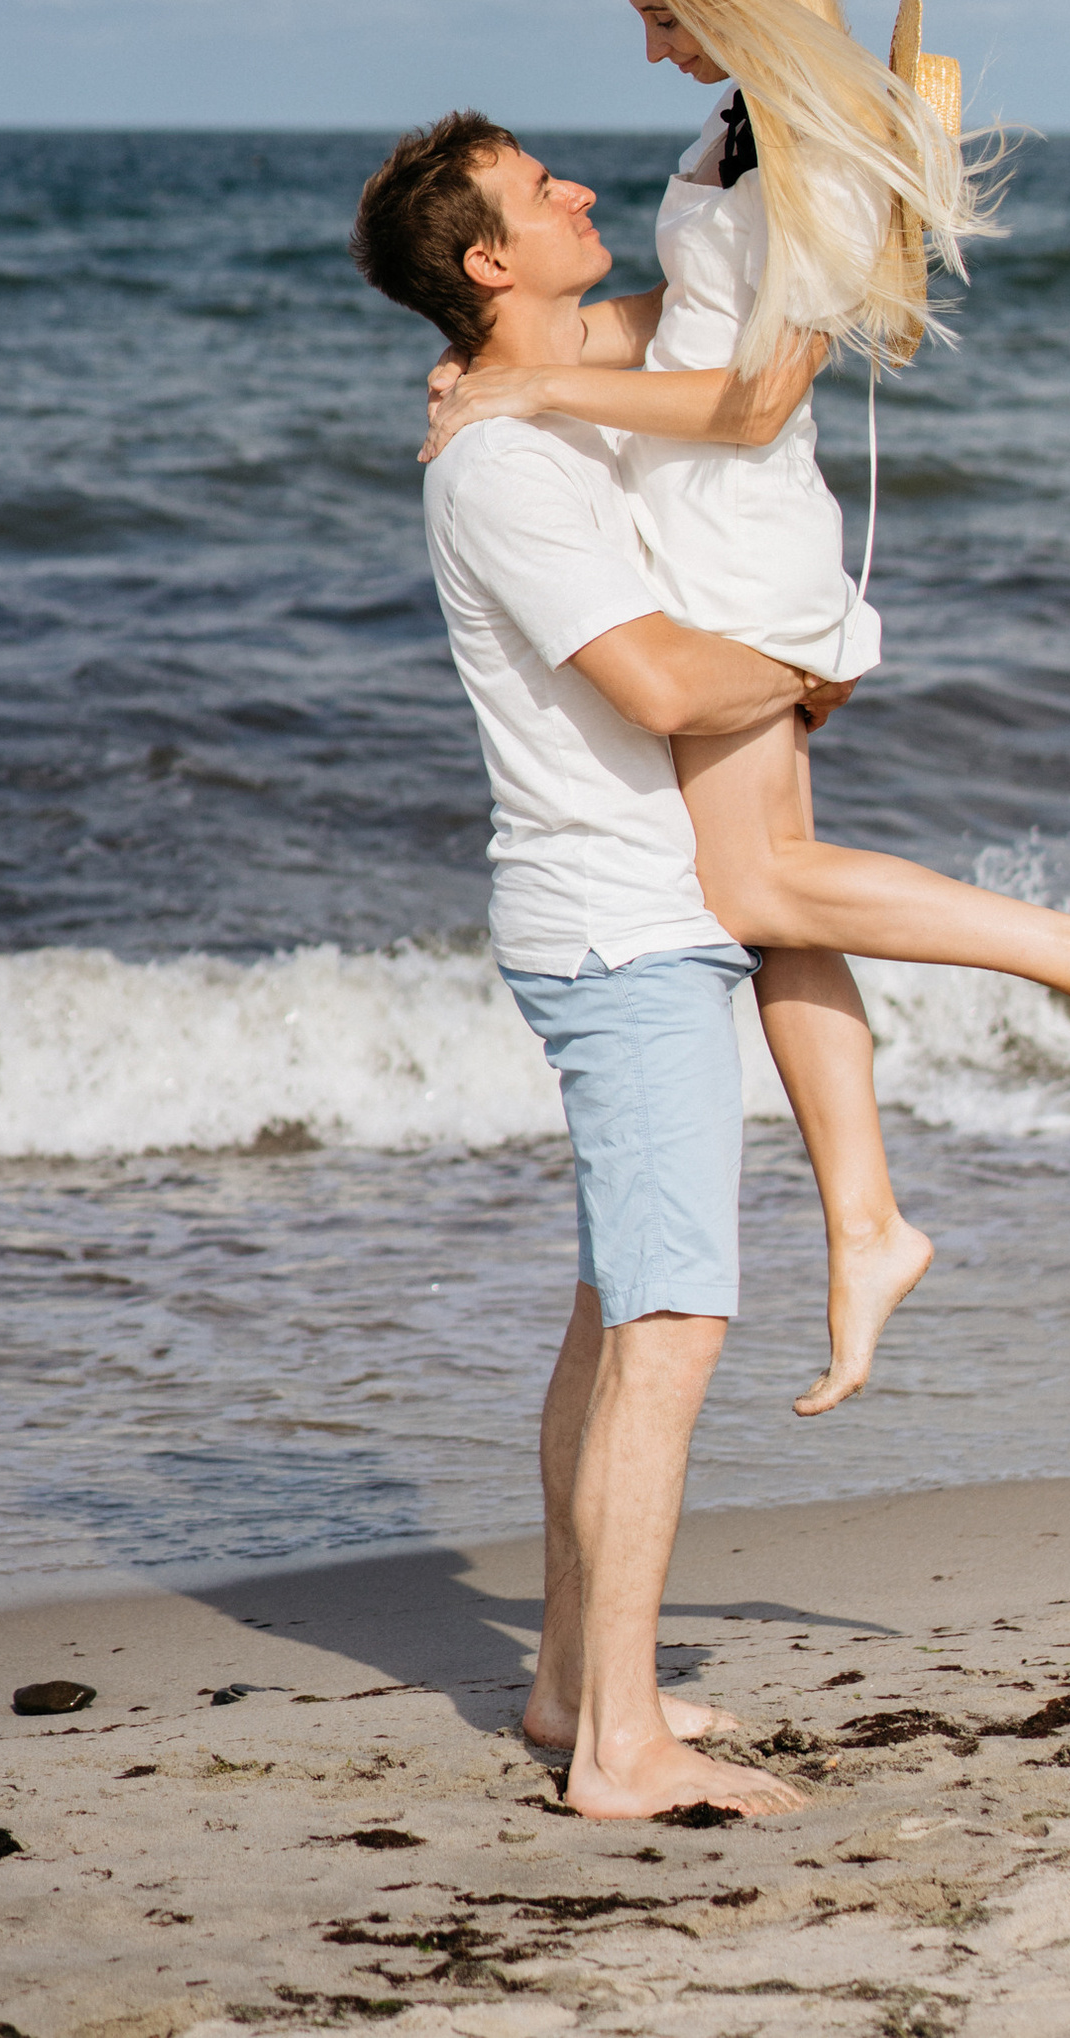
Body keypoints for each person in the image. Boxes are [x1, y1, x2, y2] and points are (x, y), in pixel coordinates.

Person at [420, 0, 1070, 1419]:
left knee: (754, 882)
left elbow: (752, 398)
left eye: (662, 15)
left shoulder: (803, 141)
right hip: (702, 528)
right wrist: (523, 349)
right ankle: (867, 1219)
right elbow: (694, 320)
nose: (651, 47)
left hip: (741, 541)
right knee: (775, 904)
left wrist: (540, 387)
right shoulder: (736, 123)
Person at [352, 110, 825, 1824]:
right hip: (623, 932)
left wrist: (779, 171)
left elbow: (701, 341)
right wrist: (809, 671)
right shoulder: (500, 464)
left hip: (635, 915)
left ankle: (566, 1681)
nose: (578, 192)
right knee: (677, 1323)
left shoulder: (539, 398)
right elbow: (662, 687)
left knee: (615, 1307)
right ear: (488, 261)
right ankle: (621, 1746)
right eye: (539, 190)